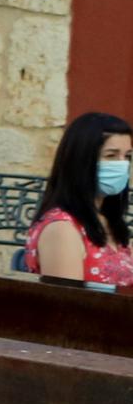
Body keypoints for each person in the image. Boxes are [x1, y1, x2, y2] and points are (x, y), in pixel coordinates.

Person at [27, 110, 133, 285]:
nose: (122, 164)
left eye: (127, 156)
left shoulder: (106, 220)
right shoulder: (62, 229)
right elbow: (67, 305)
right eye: (111, 155)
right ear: (81, 161)